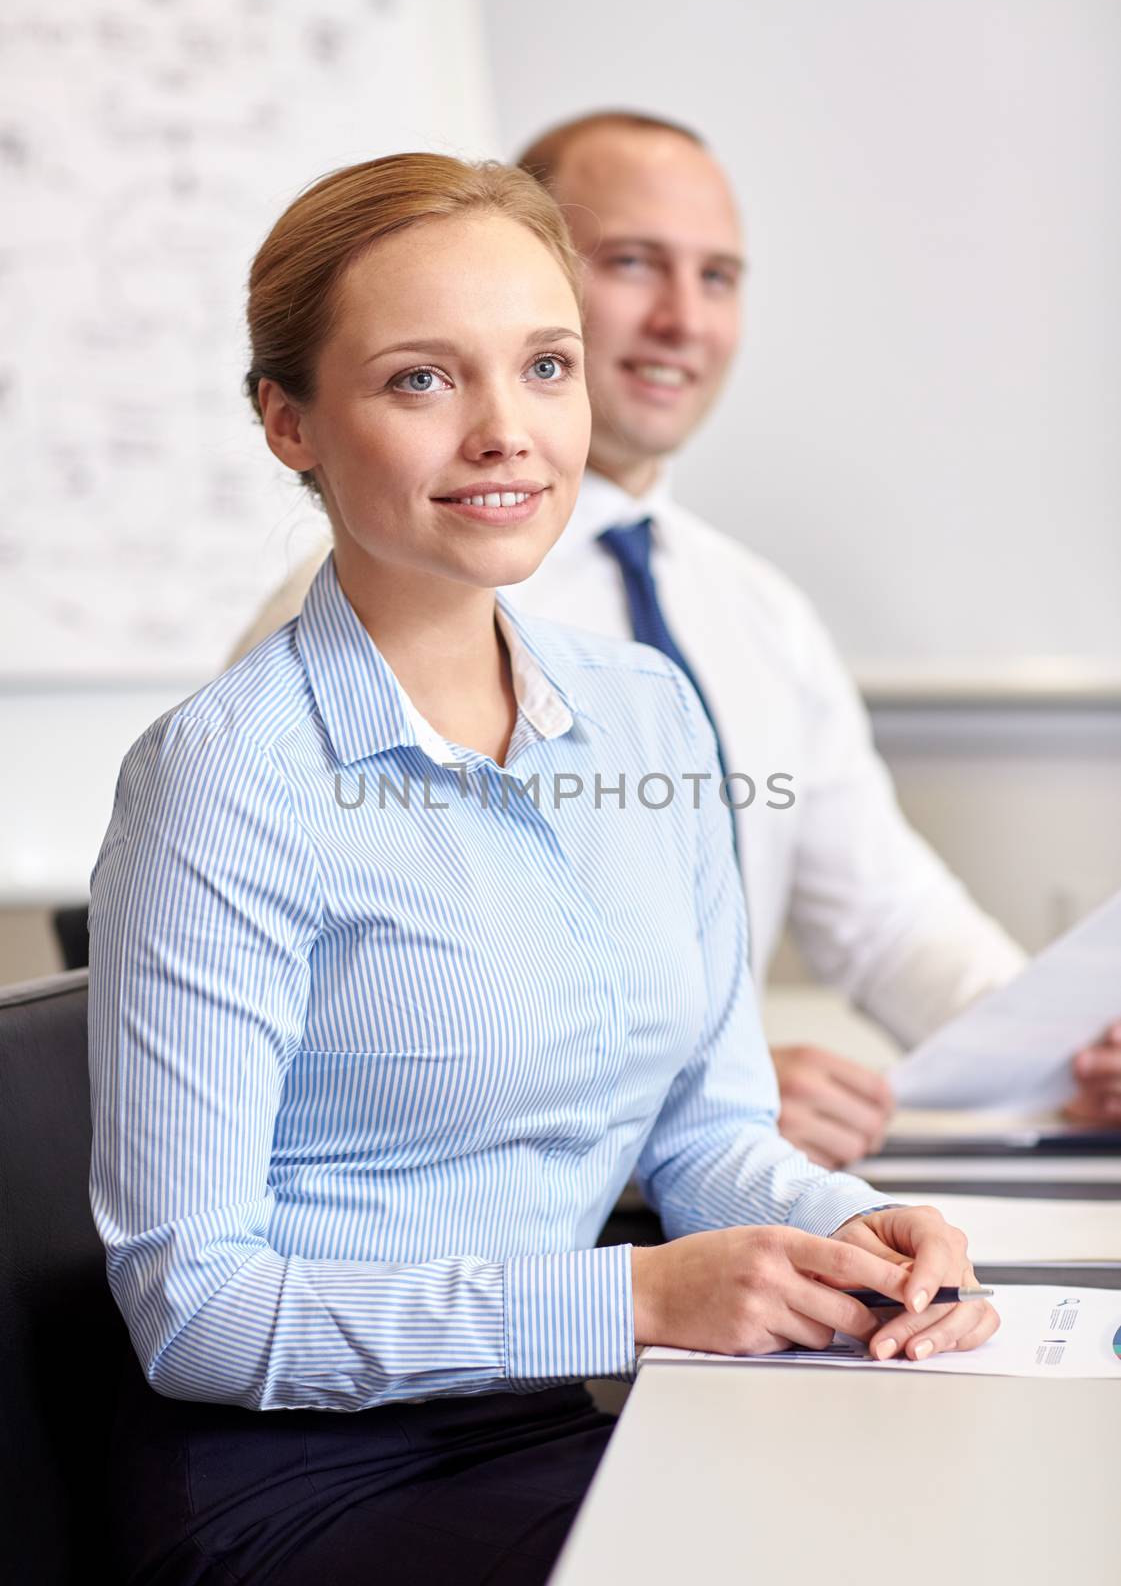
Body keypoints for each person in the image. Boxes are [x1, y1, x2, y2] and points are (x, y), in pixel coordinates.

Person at [88, 153, 996, 1586]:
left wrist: (848, 1229)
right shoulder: (225, 780)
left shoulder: (646, 711)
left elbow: (702, 1138)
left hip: (573, 1425)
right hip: (297, 1481)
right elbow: (199, 1315)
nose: (509, 433)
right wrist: (629, 1297)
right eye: (420, 381)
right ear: (288, 422)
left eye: (546, 365)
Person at [228, 112, 1121, 1163]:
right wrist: (690, 1096)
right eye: (634, 264)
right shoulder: (382, 598)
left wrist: (1066, 1053)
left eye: (718, 278)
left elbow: (882, 916)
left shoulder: (754, 609)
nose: (680, 321)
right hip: (491, 1237)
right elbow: (337, 1029)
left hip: (719, 1197)